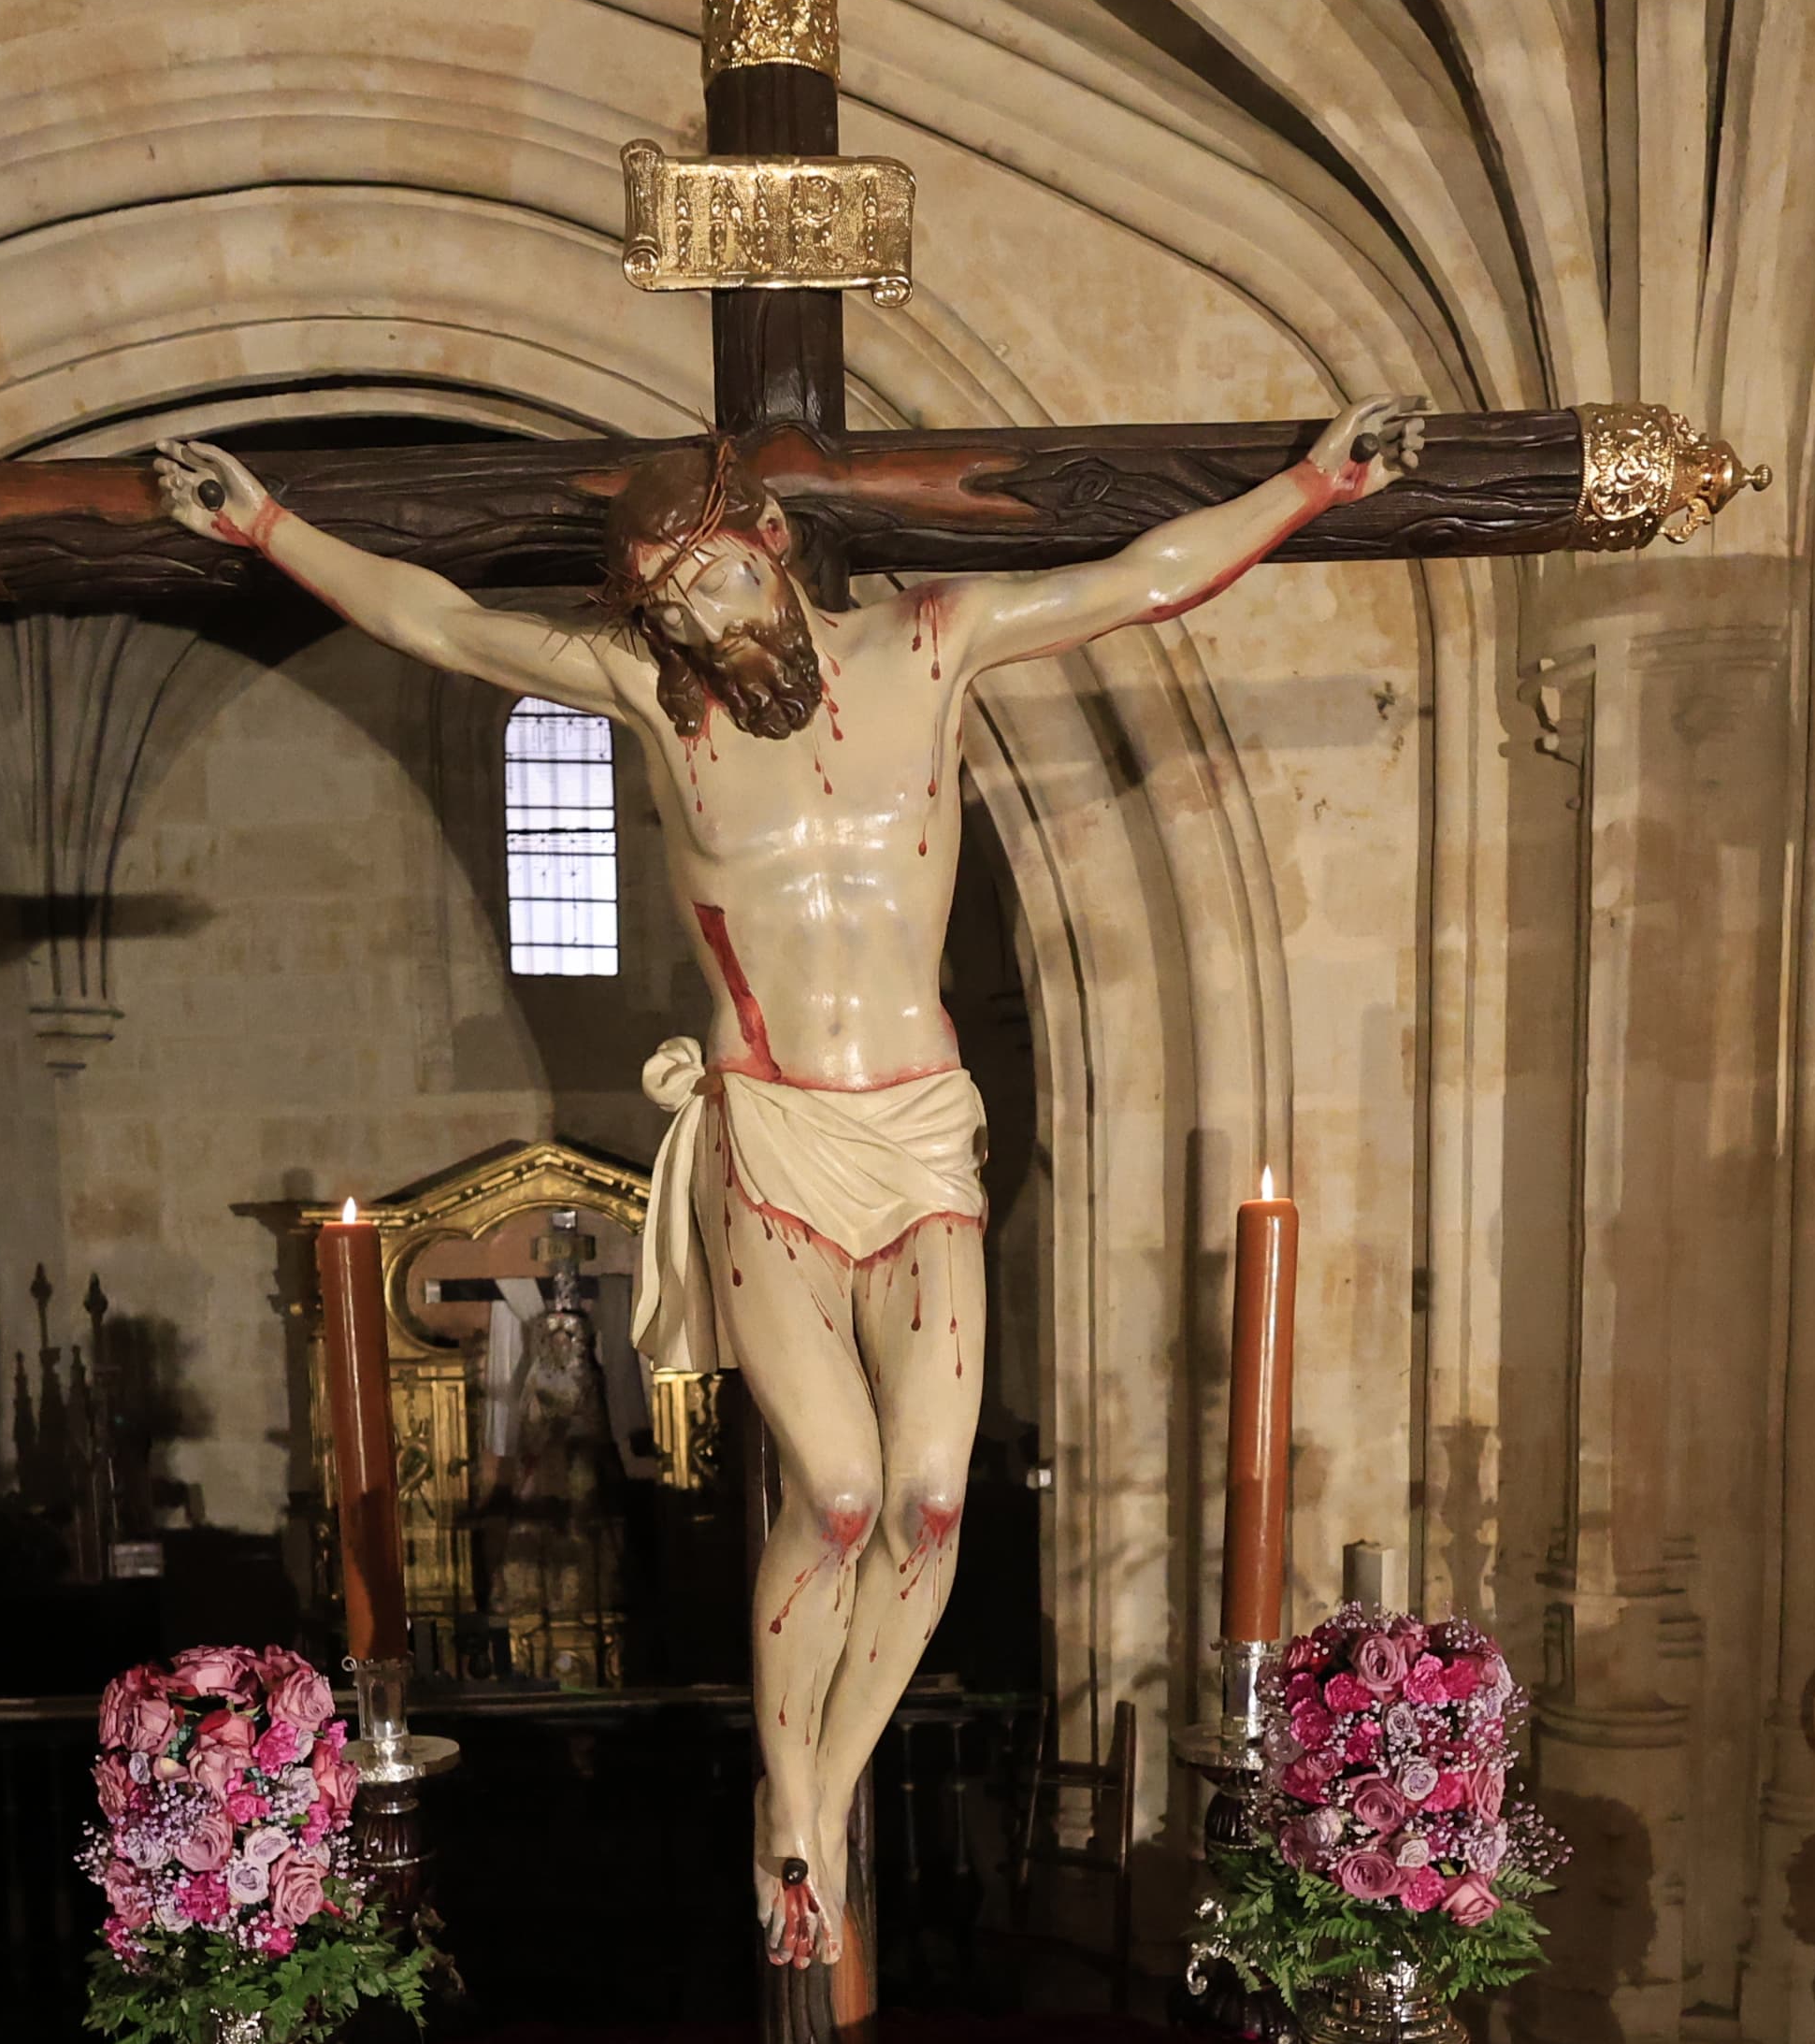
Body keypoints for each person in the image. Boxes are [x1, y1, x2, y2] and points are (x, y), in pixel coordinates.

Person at [156, 396, 1424, 1961]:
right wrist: (270, 526)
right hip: (771, 1129)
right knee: (834, 1497)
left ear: (770, 541)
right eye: (670, 605)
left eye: (716, 583)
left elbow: (1137, 578)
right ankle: (795, 1803)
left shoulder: (932, 645)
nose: (699, 619)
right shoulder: (648, 693)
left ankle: (819, 1783)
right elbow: (449, 623)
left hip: (920, 1131)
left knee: (935, 1501)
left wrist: (1311, 485)